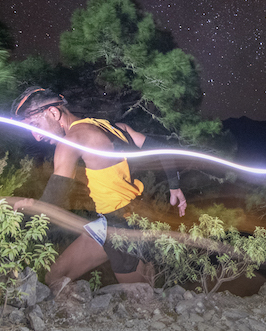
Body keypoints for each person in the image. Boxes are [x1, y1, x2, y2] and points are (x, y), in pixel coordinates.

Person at [10, 86, 186, 288]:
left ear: (53, 112)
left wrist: (25, 211)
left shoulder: (72, 141)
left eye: (35, 125)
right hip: (114, 221)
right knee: (56, 276)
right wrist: (175, 187)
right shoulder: (114, 126)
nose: (36, 136)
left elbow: (54, 199)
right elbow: (163, 149)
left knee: (141, 301)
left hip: (122, 227)